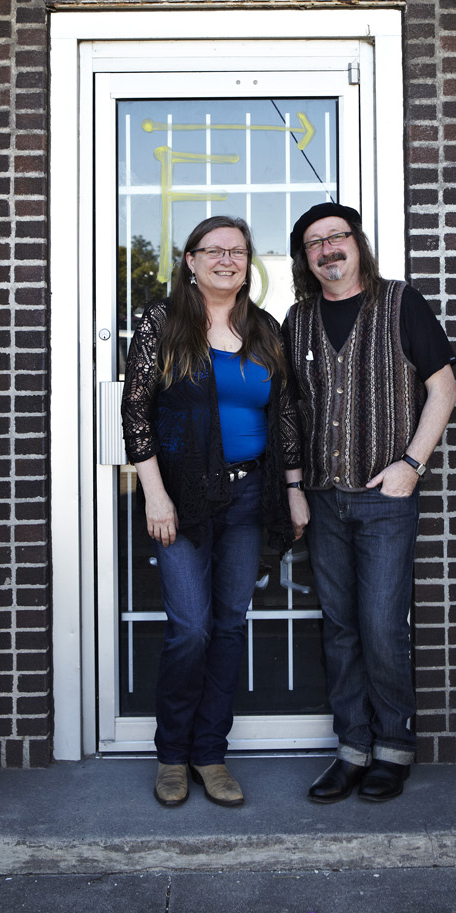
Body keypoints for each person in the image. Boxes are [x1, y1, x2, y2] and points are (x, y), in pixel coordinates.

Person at [121, 215, 307, 809]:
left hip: (251, 496)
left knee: (229, 626)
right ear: (191, 261)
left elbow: (283, 418)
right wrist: (154, 492)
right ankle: (172, 754)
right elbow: (136, 414)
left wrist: (294, 487)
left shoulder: (265, 330)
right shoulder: (163, 324)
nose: (227, 259)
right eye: (214, 250)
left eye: (238, 250)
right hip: (182, 497)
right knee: (191, 630)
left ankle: (210, 753)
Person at [282, 203, 456, 804]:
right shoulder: (297, 319)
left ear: (357, 244)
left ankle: (393, 749)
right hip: (324, 500)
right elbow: (289, 412)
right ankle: (352, 748)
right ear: (305, 259)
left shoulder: (401, 301)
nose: (328, 250)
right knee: (339, 629)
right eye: (314, 244)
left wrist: (411, 466)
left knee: (382, 626)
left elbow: (443, 387)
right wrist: (295, 489)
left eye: (337, 238)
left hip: (385, 498)